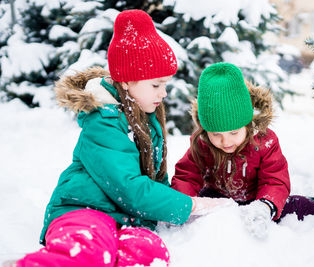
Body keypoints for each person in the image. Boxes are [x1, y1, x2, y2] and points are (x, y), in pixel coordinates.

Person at [11, 10, 227, 267]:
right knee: (89, 251)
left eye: (165, 84)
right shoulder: (103, 122)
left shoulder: (146, 119)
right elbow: (131, 189)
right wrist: (190, 205)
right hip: (86, 211)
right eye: (156, 85)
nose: (165, 93)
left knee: (149, 254)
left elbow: (154, 182)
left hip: (127, 217)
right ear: (126, 81)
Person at [171, 62, 314, 238]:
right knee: (199, 206)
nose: (225, 141)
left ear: (247, 124)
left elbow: (275, 179)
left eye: (234, 132)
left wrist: (265, 206)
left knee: (297, 205)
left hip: (256, 199)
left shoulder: (264, 142)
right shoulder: (203, 143)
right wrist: (183, 203)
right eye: (216, 134)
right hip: (218, 200)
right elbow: (187, 175)